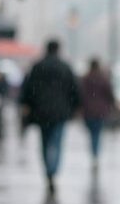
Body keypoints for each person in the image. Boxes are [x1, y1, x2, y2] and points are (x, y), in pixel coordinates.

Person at [19, 40, 81, 194]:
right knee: (57, 142)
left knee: (45, 142)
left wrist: (27, 104)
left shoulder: (37, 66)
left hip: (41, 112)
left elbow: (27, 87)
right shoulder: (65, 67)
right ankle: (53, 170)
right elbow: (75, 88)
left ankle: (48, 170)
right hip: (60, 112)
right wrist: (74, 107)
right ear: (58, 49)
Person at [79, 58, 115, 169]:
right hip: (100, 111)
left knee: (92, 134)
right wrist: (112, 105)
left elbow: (80, 94)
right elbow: (110, 94)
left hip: (88, 111)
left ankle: (93, 154)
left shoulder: (85, 79)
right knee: (97, 134)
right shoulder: (103, 79)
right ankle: (95, 155)